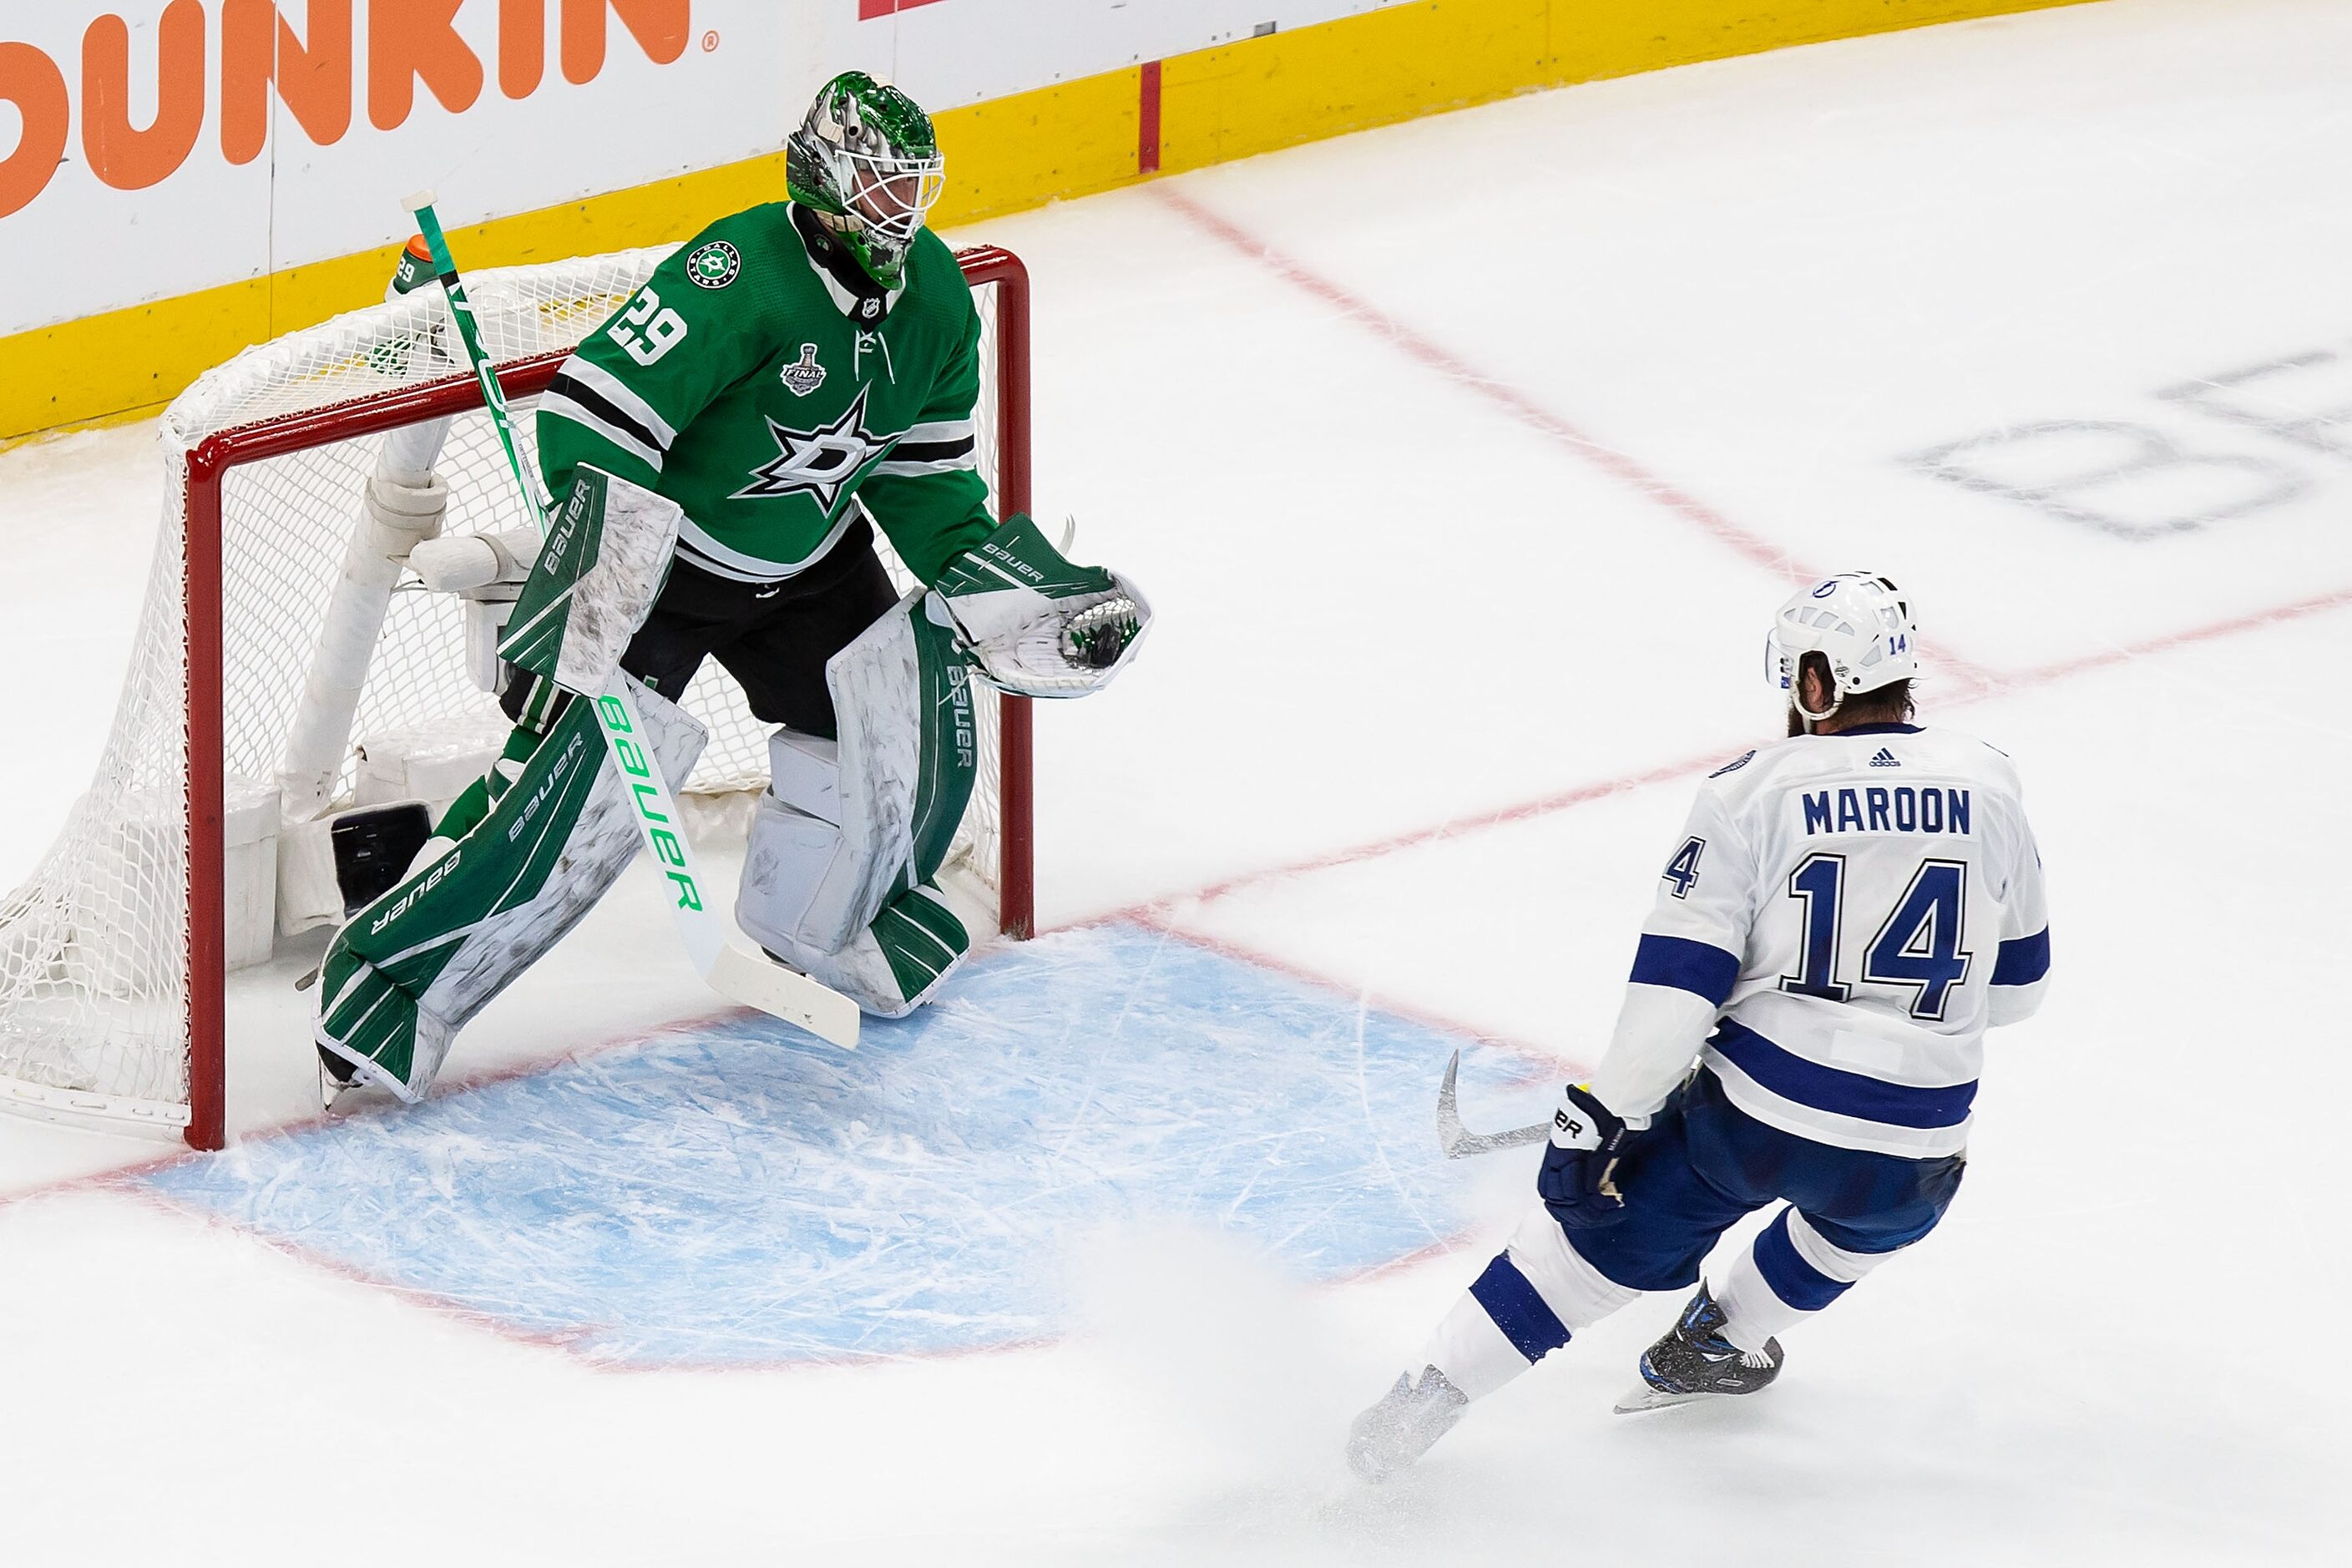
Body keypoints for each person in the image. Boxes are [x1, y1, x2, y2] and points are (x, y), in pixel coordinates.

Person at [312, 73, 1148, 1103]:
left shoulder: (933, 297)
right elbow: (589, 414)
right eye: (880, 190)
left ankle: (820, 928)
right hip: (666, 570)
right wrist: (595, 582)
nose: (902, 213)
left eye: (913, 189)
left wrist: (1014, 596)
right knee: (574, 802)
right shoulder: (735, 272)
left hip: (814, 566)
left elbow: (927, 485)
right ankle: (387, 985)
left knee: (884, 750)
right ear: (824, 182)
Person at [1348, 573, 2049, 1480]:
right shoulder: (1989, 782)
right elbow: (2020, 986)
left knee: (1580, 1256)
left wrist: (1598, 1120)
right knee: (1858, 1226)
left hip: (1752, 1124)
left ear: (1817, 683)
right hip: (1915, 1150)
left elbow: (1676, 995)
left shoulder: (1753, 792)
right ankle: (1725, 1337)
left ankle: (1413, 1413)